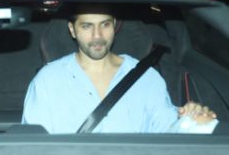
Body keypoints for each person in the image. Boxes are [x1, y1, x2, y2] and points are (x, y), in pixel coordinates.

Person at [22, 8, 217, 134]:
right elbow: (34, 147)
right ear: (72, 30)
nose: (97, 36)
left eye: (105, 24)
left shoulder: (147, 78)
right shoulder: (48, 80)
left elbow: (167, 132)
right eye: (87, 26)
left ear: (114, 26)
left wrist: (194, 121)